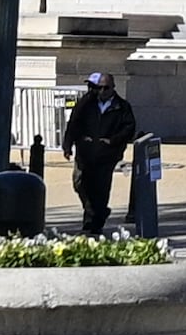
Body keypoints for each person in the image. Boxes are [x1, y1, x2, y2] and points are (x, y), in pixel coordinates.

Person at [60, 70, 140, 235]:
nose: (101, 92)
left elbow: (129, 128)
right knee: (80, 183)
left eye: (105, 88)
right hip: (85, 152)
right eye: (98, 88)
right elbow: (74, 123)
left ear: (112, 88)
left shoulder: (122, 106)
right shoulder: (86, 104)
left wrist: (112, 141)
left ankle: (93, 223)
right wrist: (68, 145)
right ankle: (96, 212)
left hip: (106, 154)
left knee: (101, 188)